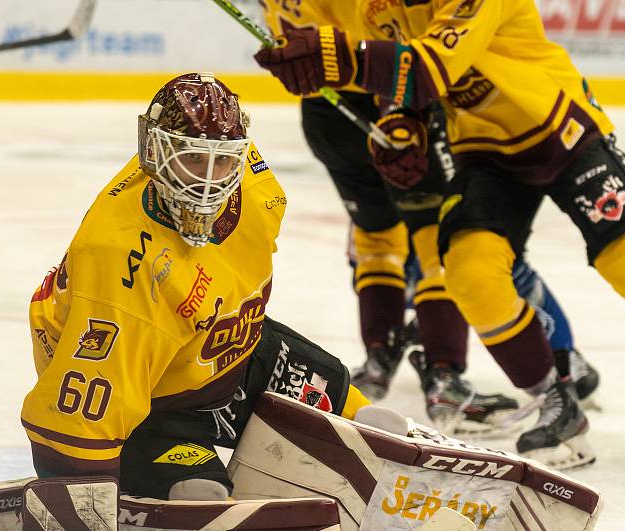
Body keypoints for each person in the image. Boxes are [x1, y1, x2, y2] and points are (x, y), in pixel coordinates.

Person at [252, 0, 625, 469]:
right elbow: (406, 90)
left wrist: (337, 55)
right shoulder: (379, 8)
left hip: (558, 129)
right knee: (470, 273)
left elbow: (430, 67)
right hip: (481, 152)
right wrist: (401, 125)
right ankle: (556, 402)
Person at [20, 72, 399, 500]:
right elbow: (72, 431)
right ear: (153, 151)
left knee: (374, 427)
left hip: (232, 347)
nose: (209, 180)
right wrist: (82, 504)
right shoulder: (121, 268)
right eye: (193, 159)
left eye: (221, 160)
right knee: (203, 497)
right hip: (154, 402)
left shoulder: (259, 191)